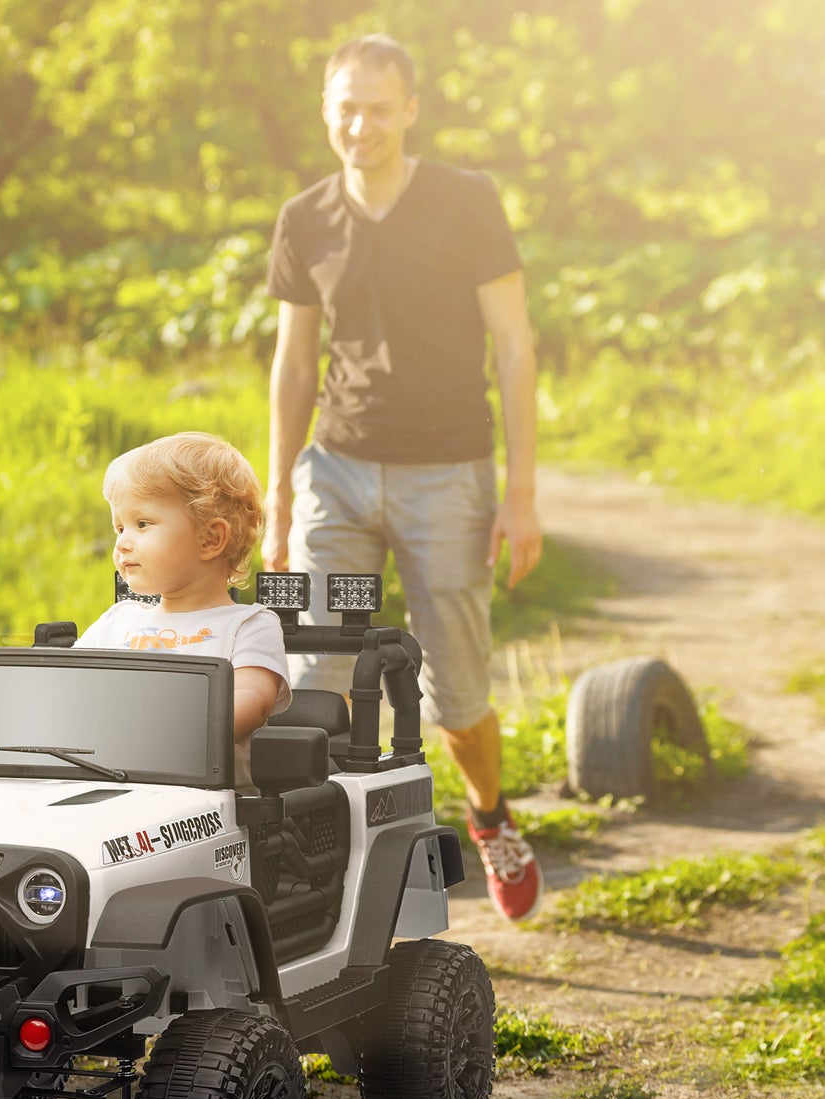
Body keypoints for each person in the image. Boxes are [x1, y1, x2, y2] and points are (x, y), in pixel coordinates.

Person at [263, 32, 545, 922]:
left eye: (379, 107)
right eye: (346, 107)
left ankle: (490, 816)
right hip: (337, 476)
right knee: (317, 665)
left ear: (410, 109)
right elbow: (293, 364)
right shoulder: (304, 218)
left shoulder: (466, 202)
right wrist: (277, 497)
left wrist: (522, 490)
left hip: (446, 479)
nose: (361, 124)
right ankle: (320, 861)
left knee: (456, 691)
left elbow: (514, 342)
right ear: (325, 112)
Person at [76, 432, 291, 787]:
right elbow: (68, 689)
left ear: (210, 539)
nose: (122, 543)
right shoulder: (117, 622)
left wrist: (164, 738)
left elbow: (252, 701)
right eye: (119, 526)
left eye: (142, 524)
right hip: (109, 788)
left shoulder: (248, 625)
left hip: (210, 808)